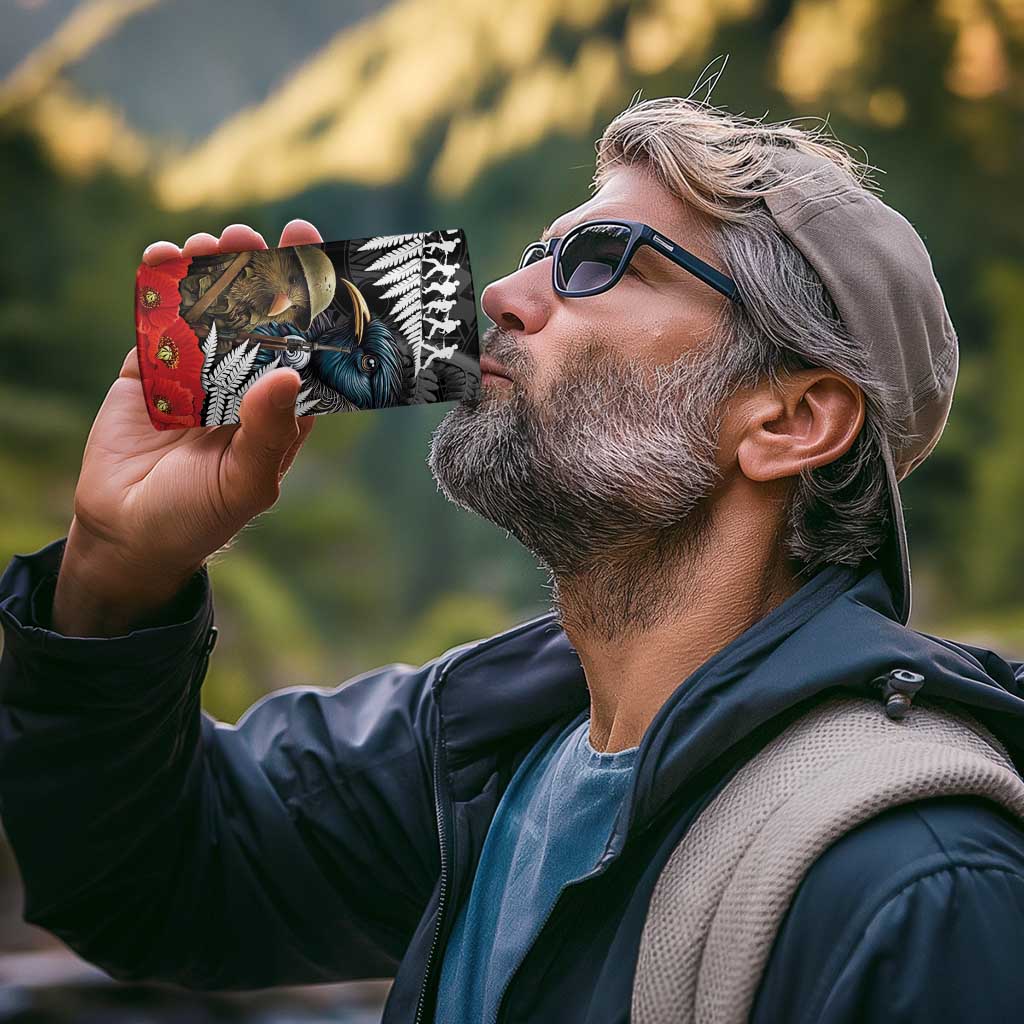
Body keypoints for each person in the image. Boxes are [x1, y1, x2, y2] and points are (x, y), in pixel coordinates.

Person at [2, 95, 1024, 1024]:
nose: (500, 292)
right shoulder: (480, 748)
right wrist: (116, 570)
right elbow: (148, 879)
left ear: (791, 419)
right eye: (540, 252)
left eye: (599, 262)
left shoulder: (918, 884)